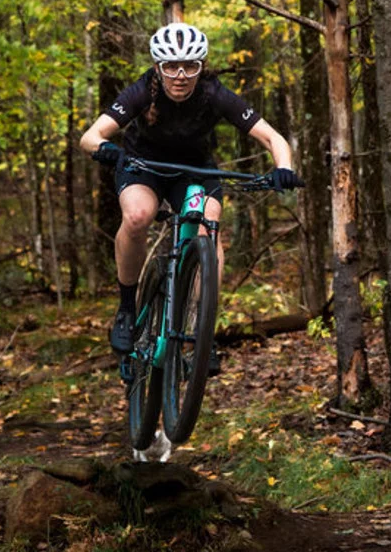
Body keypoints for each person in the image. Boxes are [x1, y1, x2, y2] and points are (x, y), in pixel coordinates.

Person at [80, 21, 300, 355]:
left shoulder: (213, 93)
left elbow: (272, 137)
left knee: (208, 229)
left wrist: (284, 168)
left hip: (195, 171)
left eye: (190, 66)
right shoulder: (143, 90)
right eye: (171, 66)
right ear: (158, 67)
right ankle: (126, 308)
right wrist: (106, 148)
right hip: (144, 167)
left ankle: (201, 327)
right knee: (138, 216)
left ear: (201, 67)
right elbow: (89, 136)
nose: (180, 75)